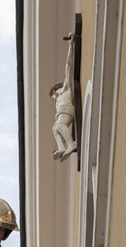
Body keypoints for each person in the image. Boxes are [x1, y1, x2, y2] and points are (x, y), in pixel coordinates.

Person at [50, 33, 77, 162]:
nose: (54, 97)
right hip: (61, 112)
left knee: (60, 125)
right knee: (55, 127)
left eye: (54, 93)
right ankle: (62, 147)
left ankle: (71, 144)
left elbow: (68, 66)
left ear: (58, 88)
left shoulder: (66, 88)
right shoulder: (58, 99)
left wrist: (70, 45)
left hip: (67, 109)